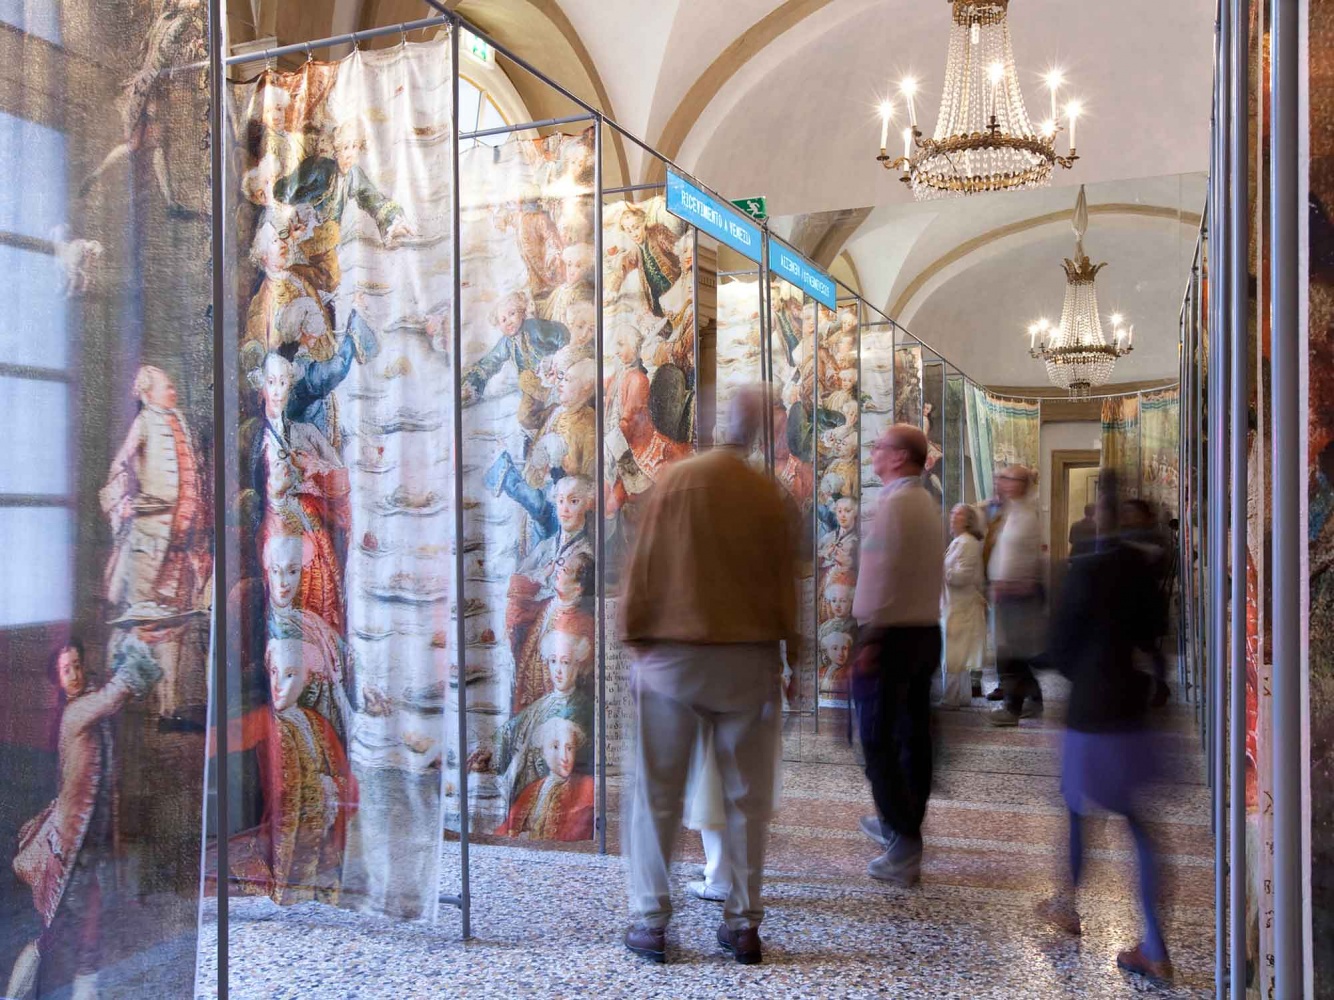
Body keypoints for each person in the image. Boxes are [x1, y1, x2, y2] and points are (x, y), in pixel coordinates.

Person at [619, 386, 797, 966]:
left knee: (657, 794)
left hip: (675, 662)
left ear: (719, 425)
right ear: (760, 432)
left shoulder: (678, 481)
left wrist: (636, 643)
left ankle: (651, 922)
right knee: (747, 800)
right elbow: (786, 585)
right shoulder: (767, 496)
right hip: (748, 662)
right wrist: (791, 657)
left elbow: (643, 568)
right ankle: (743, 925)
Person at [1035, 483, 1173, 984]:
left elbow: (1059, 647)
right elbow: (1155, 632)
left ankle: (1068, 905)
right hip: (1132, 707)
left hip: (1091, 709)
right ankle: (1154, 944)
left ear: (1097, 517)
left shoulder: (1084, 570)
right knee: (1137, 822)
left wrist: (1079, 671)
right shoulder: (1143, 568)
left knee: (1076, 808)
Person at [8, 639, 162, 1000]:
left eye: (77, 665)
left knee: (84, 915)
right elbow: (113, 696)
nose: (75, 674)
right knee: (62, 922)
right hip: (71, 842)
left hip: (89, 835)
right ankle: (29, 989)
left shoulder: (85, 703)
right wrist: (138, 652)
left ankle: (81, 985)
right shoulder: (75, 713)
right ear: (58, 680)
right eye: (66, 670)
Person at [851, 424, 945, 886]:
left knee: (877, 739)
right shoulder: (922, 502)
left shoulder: (898, 504)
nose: (874, 451)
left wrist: (872, 638)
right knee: (910, 736)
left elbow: (885, 574)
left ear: (900, 456)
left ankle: (904, 839)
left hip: (892, 637)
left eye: (880, 445)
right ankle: (898, 824)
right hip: (920, 632)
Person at [986, 465, 1046, 726]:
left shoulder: (1027, 516)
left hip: (1017, 593)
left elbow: (1027, 558)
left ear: (1021, 483)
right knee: (1012, 653)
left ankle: (1014, 707)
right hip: (1006, 592)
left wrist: (1012, 584)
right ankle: (1031, 699)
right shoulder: (1010, 511)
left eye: (1007, 478)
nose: (1002, 482)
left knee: (1013, 654)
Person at [495, 717, 594, 841]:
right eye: (555, 747)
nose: (564, 757)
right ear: (543, 752)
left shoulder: (587, 787)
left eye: (569, 748)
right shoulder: (531, 789)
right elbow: (506, 829)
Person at [941, 503, 986, 709]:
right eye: (952, 513)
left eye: (957, 515)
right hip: (955, 605)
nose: (952, 517)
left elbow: (963, 576)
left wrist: (941, 571)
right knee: (957, 654)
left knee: (954, 654)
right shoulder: (959, 541)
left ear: (967, 521)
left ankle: (951, 698)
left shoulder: (967, 543)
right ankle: (963, 696)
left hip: (961, 606)